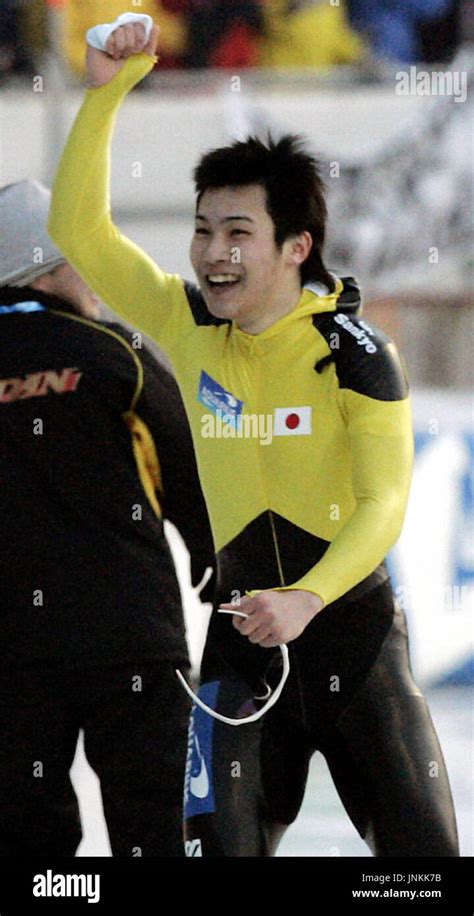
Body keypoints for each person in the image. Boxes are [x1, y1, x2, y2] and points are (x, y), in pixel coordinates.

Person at [48, 16, 459, 857]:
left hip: (356, 650)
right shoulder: (191, 325)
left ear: (296, 246)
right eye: (203, 230)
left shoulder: (356, 353)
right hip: (239, 661)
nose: (212, 254)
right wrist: (106, 92)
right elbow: (79, 232)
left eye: (238, 233)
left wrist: (308, 599)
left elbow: (386, 503)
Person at [0, 179, 214, 857]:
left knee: (26, 841)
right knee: (154, 830)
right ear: (50, 269)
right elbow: (188, 467)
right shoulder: (114, 352)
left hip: (13, 654)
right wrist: (217, 555)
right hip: (131, 641)